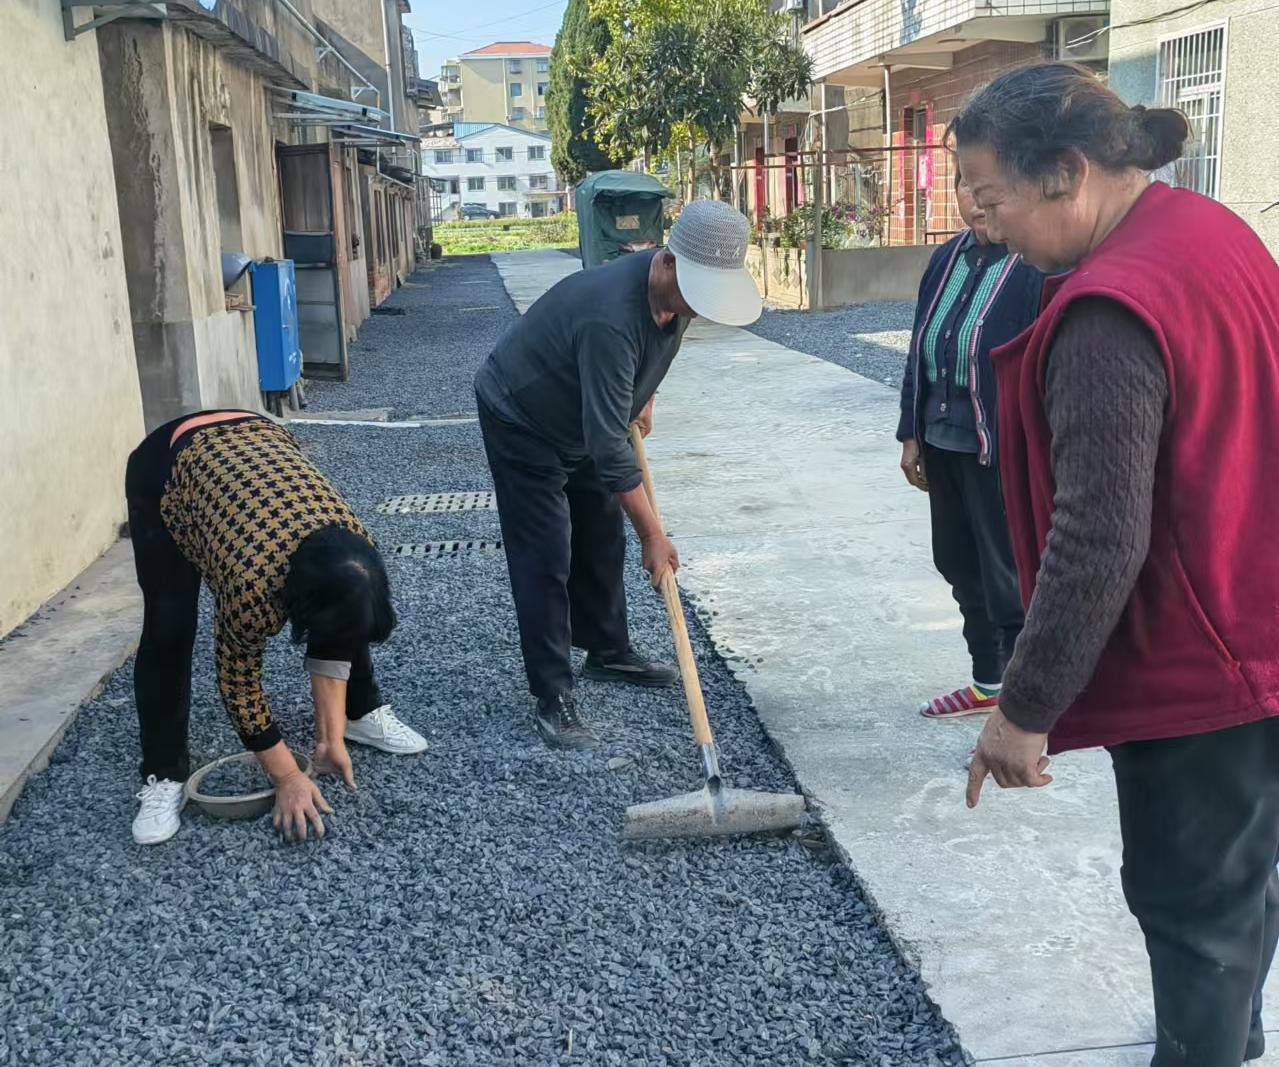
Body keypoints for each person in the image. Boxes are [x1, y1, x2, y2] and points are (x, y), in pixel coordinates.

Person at [953, 62, 1279, 1067]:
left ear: (1066, 173)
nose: (982, 225)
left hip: (1200, 660)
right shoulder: (1210, 230)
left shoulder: (1107, 310)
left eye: (990, 198)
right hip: (1257, 617)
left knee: (1190, 909)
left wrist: (1023, 708)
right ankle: (1231, 1040)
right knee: (1236, 886)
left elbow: (1097, 536)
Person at [475, 199, 763, 750]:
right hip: (523, 414)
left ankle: (607, 650)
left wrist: (643, 396)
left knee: (602, 533)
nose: (698, 308)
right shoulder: (609, 316)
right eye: (696, 294)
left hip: (584, 413)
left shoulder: (675, 297)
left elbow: (651, 359)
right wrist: (654, 535)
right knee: (546, 552)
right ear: (668, 261)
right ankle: (552, 694)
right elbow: (608, 446)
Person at [125, 410, 427, 846]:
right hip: (168, 465)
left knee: (349, 598)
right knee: (168, 623)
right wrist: (287, 776)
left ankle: (357, 714)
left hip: (257, 437)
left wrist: (329, 739)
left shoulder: (357, 545)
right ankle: (163, 771)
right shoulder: (251, 587)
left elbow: (338, 626)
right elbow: (238, 683)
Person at [898, 168, 1042, 719]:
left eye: (990, 189)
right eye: (967, 185)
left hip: (999, 449)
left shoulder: (1032, 265)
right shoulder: (946, 259)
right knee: (958, 563)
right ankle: (987, 683)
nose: (978, 201)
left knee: (1009, 578)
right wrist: (910, 433)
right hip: (942, 441)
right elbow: (919, 347)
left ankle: (1027, 709)